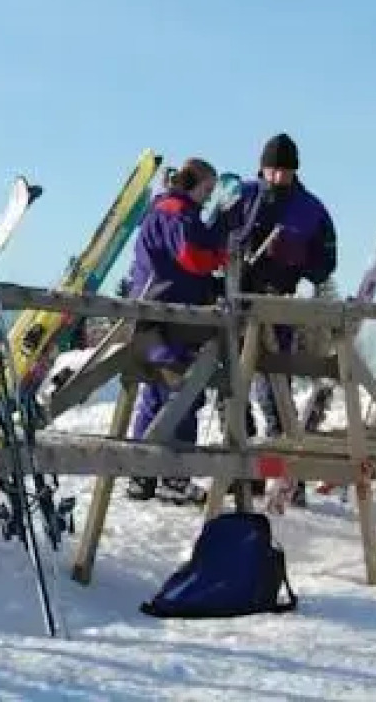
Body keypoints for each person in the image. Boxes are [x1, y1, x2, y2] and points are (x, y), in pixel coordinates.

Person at [121, 158, 232, 504]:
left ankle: (143, 473)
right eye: (207, 191)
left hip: (158, 309)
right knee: (183, 388)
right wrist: (220, 257)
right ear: (194, 184)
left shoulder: (167, 210)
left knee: (157, 390)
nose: (207, 198)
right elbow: (190, 256)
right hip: (166, 312)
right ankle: (172, 473)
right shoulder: (175, 212)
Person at [221, 132, 337, 441]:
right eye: (273, 170)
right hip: (233, 299)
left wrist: (297, 258)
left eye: (285, 171)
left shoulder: (310, 209)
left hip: (277, 304)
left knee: (274, 382)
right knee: (230, 385)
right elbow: (209, 231)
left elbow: (326, 264)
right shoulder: (242, 196)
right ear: (262, 168)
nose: (278, 176)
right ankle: (238, 461)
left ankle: (283, 455)